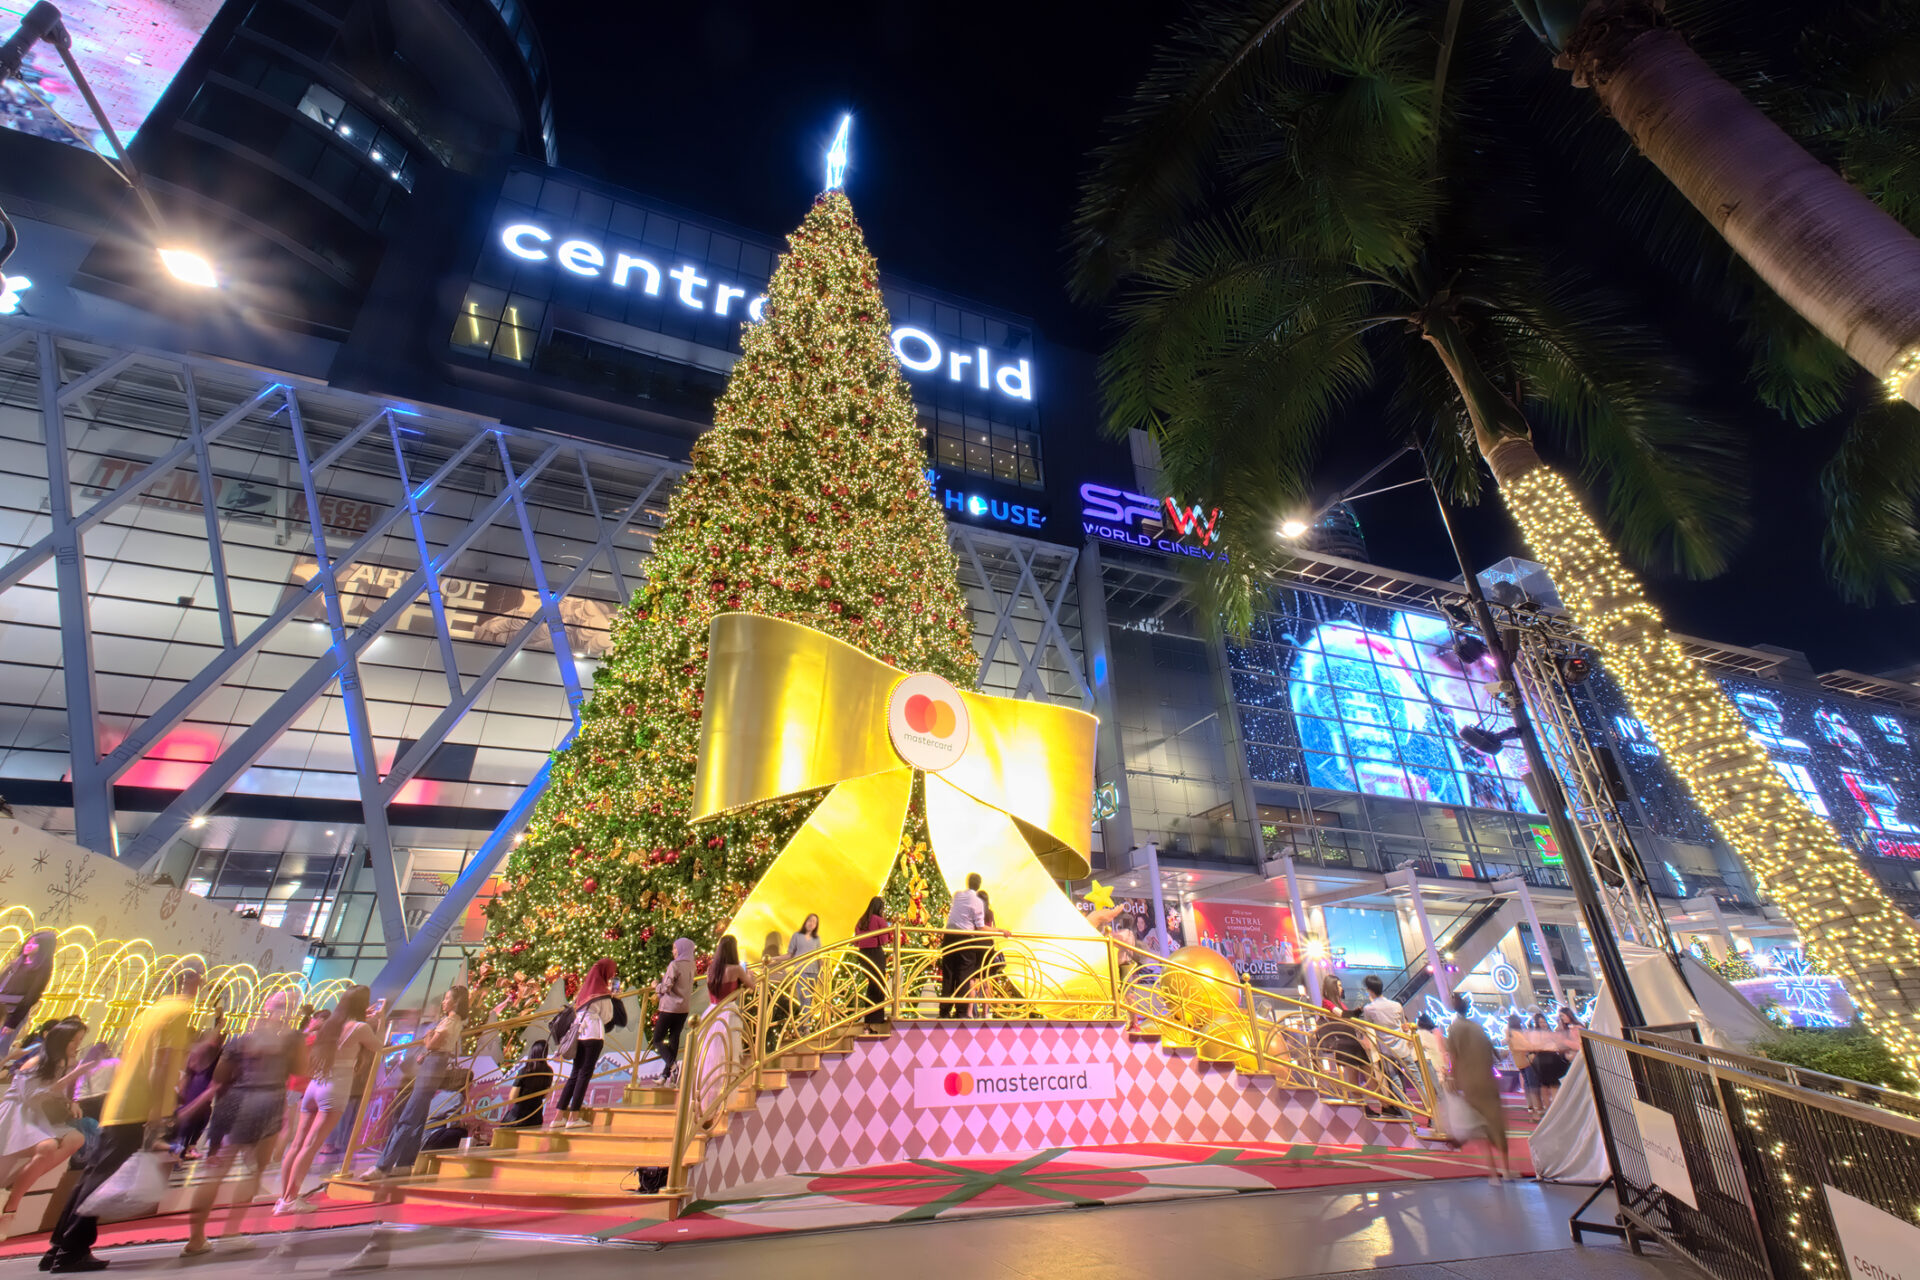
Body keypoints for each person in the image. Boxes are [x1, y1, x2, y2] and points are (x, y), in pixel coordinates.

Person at [42, 965, 203, 1273]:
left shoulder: (150, 1013)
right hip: (137, 1106)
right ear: (191, 983)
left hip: (121, 1103)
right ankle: (71, 1250)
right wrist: (158, 1110)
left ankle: (58, 1247)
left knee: (92, 1176)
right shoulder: (180, 1013)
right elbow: (164, 1061)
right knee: (101, 1180)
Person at [180, 990, 304, 1257]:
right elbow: (300, 1070)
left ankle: (196, 1239)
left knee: (215, 1171)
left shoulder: (241, 1041)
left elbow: (220, 1079)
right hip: (267, 1099)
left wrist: (211, 1117)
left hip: (233, 1100)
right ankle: (231, 1232)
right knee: (253, 1171)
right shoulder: (289, 1041)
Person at [279, 985, 378, 1214]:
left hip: (316, 1085)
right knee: (311, 1145)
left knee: (298, 1144)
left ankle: (284, 1197)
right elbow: (379, 1047)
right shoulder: (360, 1027)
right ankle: (290, 1199)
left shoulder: (330, 1025)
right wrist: (378, 1022)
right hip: (335, 1089)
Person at [0, 1019, 89, 1239]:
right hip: (18, 1114)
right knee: (48, 1146)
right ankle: (10, 1207)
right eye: (74, 1040)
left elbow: (68, 1089)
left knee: (76, 1138)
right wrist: (72, 1076)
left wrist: (73, 1101)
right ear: (61, 1041)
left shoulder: (67, 1061)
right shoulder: (37, 1062)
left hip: (38, 1117)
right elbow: (30, 1098)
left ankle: (13, 1197)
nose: (76, 1045)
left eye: (79, 1040)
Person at [370, 985, 468, 1174]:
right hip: (434, 1064)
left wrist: (428, 1038)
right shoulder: (454, 1022)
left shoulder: (449, 1022)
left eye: (447, 999)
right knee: (419, 1115)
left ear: (455, 1002)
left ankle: (383, 1165)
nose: (443, 1002)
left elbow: (431, 1043)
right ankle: (405, 1163)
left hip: (432, 1067)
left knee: (409, 1116)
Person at [1444, 993, 1510, 1184]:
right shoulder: (1477, 1027)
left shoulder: (1454, 1029)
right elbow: (1494, 1053)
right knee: (1496, 1124)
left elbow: (1454, 1059)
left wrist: (1452, 1078)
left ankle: (1493, 1174)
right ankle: (1506, 1169)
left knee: (1480, 1128)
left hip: (1469, 1082)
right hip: (1488, 1079)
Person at [551, 961, 615, 1129]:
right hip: (593, 1035)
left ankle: (558, 1116)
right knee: (584, 1075)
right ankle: (574, 1116)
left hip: (579, 1035)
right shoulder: (602, 993)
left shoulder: (583, 991)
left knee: (575, 1074)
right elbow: (607, 1017)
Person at [1359, 975, 1414, 1114]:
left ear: (1370, 990)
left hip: (1386, 1050)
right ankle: (1431, 1115)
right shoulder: (1396, 1005)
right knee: (1418, 1080)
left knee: (1394, 1080)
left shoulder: (1369, 1009)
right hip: (1402, 1048)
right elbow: (1404, 1025)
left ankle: (1406, 1113)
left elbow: (1368, 1027)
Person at [0, 931, 57, 1061]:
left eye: (34, 944)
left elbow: (31, 997)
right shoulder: (14, 965)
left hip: (13, 1014)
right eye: (29, 942)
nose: (29, 945)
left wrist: (12, 1022)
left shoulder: (41, 969)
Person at [173, 1022, 225, 1159]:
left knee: (200, 1116)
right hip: (199, 1085)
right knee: (194, 1116)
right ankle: (182, 1149)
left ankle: (187, 1148)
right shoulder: (206, 1051)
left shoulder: (211, 1052)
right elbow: (190, 1069)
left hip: (200, 1085)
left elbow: (189, 1069)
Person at [940, 873, 987, 1018]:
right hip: (964, 939)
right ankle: (961, 1012)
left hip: (949, 937)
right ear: (979, 885)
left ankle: (944, 1011)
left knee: (948, 974)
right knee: (964, 976)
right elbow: (980, 927)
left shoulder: (958, 895)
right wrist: (1000, 931)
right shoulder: (978, 902)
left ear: (967, 882)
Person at [1315, 974, 1370, 1098]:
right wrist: (1355, 1012)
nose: (1341, 988)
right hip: (1345, 1042)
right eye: (1339, 985)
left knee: (1363, 1071)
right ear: (1332, 987)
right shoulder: (1327, 1002)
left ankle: (1381, 1104)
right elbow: (1341, 1015)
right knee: (1355, 1075)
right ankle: (1365, 1105)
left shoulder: (1338, 1003)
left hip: (1350, 1039)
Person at [649, 940, 695, 1082]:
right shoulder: (692, 965)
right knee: (674, 1040)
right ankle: (665, 1075)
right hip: (683, 1009)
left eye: (675, 948)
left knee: (657, 1039)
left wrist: (656, 986)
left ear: (681, 949)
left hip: (669, 1008)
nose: (673, 951)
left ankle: (673, 1066)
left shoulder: (674, 965)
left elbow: (666, 987)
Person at [853, 898, 892, 1026]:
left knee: (871, 985)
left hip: (863, 954)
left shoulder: (862, 920)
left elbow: (856, 941)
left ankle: (869, 1018)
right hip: (875, 953)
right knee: (879, 985)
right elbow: (884, 940)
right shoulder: (879, 920)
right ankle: (877, 1018)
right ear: (880, 908)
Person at [500, 1041, 552, 1129]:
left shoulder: (524, 1071)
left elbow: (512, 1097)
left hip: (518, 1118)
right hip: (536, 1118)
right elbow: (546, 1095)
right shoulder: (549, 1072)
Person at [786, 915, 822, 1014]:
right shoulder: (796, 936)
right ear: (805, 921)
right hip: (800, 971)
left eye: (814, 922)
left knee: (809, 1000)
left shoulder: (817, 939)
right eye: (810, 921)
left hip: (813, 972)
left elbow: (819, 956)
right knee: (804, 997)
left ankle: (803, 1026)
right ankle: (807, 1027)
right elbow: (789, 955)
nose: (811, 923)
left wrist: (823, 970)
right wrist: (773, 959)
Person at [1509, 1014, 1540, 1116]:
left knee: (1527, 1083)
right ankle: (1536, 1105)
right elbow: (1527, 1047)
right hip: (1527, 1061)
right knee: (1532, 1084)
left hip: (1519, 1062)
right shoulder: (1519, 1034)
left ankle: (1530, 1105)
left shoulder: (1510, 1034)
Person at [1415, 1013, 1448, 1080]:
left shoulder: (1420, 1033)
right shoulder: (1436, 1031)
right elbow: (1441, 1047)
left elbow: (1423, 1044)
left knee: (1437, 1084)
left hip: (1432, 1061)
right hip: (1441, 1060)